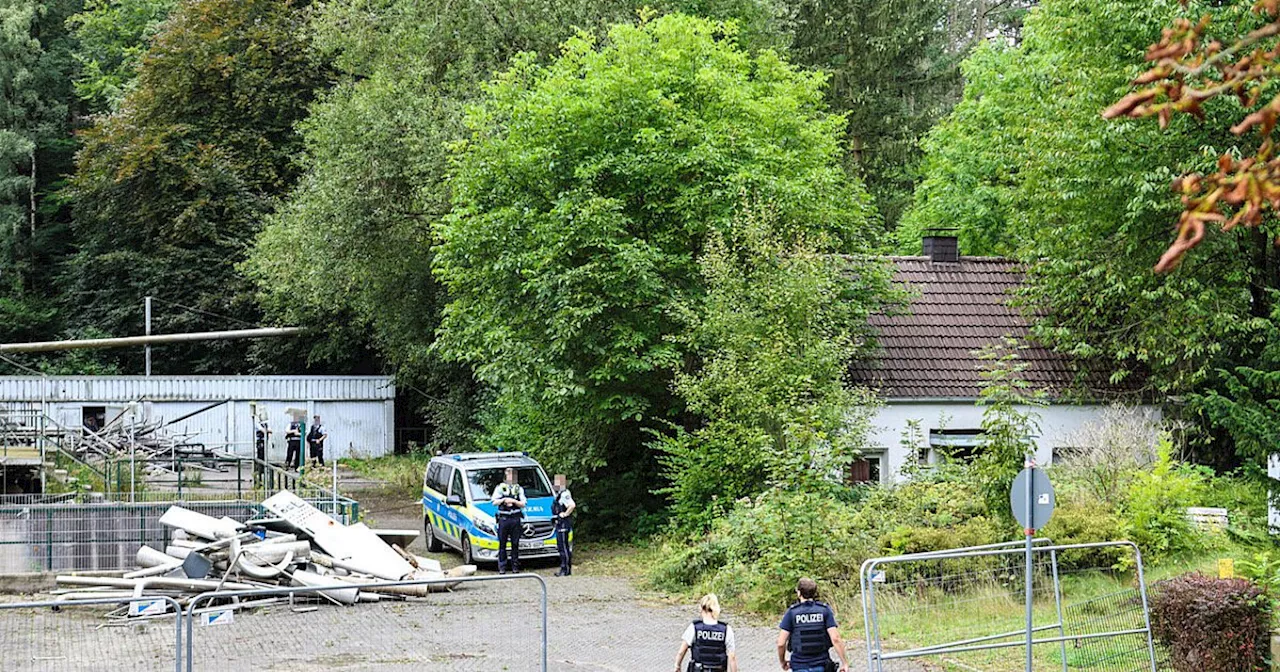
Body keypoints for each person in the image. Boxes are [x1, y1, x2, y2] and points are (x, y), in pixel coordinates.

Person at [777, 577, 849, 672]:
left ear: (799, 593)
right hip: (821, 665)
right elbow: (835, 638)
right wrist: (845, 663)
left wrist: (782, 662)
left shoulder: (792, 612)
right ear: (814, 593)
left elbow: (781, 643)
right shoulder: (824, 610)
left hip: (799, 665)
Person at [674, 594, 738, 672]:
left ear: (701, 608)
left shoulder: (694, 627)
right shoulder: (726, 629)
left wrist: (677, 666)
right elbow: (732, 657)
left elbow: (682, 651)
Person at [490, 467, 526, 574]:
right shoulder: (500, 488)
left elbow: (523, 503)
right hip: (504, 519)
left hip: (515, 519)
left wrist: (514, 501)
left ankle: (515, 566)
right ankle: (502, 567)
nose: (511, 477)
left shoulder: (518, 489)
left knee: (515, 544)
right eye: (508, 474)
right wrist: (504, 500)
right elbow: (494, 502)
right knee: (502, 544)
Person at [552, 474, 576, 577]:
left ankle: (565, 569)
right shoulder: (559, 494)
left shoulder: (565, 494)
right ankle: (564, 568)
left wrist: (565, 514)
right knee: (561, 547)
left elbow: (572, 505)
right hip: (559, 523)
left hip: (563, 523)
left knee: (564, 547)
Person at [254, 414, 271, 482]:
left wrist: (266, 430)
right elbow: (263, 431)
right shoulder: (258, 424)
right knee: (260, 455)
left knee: (264, 455)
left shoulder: (266, 424)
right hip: (260, 441)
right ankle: (259, 469)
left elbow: (270, 430)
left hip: (265, 441)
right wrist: (266, 431)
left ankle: (263, 469)